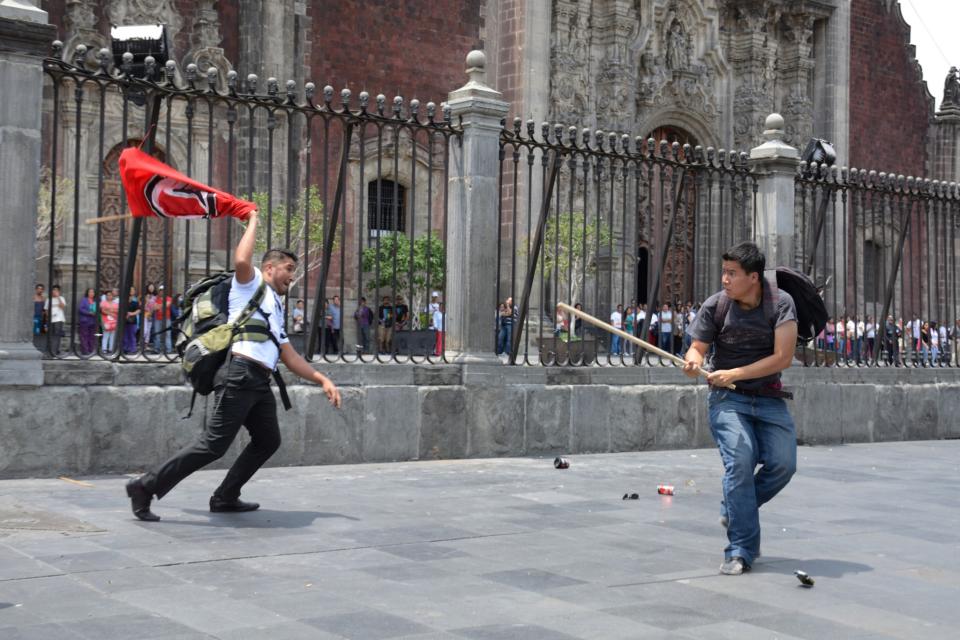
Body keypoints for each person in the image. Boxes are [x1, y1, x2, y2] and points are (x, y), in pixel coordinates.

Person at [125, 209, 342, 522]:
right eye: (289, 268)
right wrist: (254, 220)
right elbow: (241, 260)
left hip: (259, 382)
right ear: (269, 268)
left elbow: (288, 355)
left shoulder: (276, 306)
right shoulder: (250, 284)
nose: (293, 275)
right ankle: (145, 487)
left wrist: (322, 379)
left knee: (268, 440)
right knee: (213, 445)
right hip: (239, 374)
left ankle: (226, 496)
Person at [682, 241, 798, 576]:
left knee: (783, 465)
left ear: (754, 277)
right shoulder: (716, 306)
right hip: (727, 400)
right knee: (740, 461)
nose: (725, 279)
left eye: (732, 273)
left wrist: (735, 373)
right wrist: (693, 362)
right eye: (724, 272)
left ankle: (735, 507)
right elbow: (697, 347)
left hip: (769, 396)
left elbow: (783, 358)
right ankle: (740, 549)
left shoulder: (781, 304)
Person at [46, 284, 66, 356]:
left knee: (57, 335)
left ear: (59, 291)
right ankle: (51, 351)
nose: (55, 291)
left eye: (56, 290)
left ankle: (55, 351)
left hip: (59, 319)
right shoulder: (49, 299)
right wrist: (48, 316)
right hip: (51, 320)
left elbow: (62, 306)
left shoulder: (61, 298)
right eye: (53, 290)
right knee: (51, 335)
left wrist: (58, 297)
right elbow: (46, 310)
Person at [152, 285, 173, 353]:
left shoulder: (169, 298)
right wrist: (162, 305)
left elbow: (167, 305)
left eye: (163, 291)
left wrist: (158, 305)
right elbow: (154, 308)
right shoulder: (156, 298)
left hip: (166, 318)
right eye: (161, 291)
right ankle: (156, 349)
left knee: (167, 334)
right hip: (158, 318)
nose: (162, 292)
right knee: (157, 334)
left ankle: (168, 350)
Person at [77, 288, 97, 355]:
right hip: (85, 321)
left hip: (93, 321)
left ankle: (91, 350)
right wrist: (89, 313)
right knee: (84, 336)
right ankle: (85, 350)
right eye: (90, 292)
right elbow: (80, 309)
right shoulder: (84, 300)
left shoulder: (95, 301)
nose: (91, 293)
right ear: (87, 293)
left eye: (93, 292)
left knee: (92, 336)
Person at [122, 286, 140, 354]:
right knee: (125, 335)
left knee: (132, 335)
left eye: (132, 290)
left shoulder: (135, 302)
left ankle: (132, 349)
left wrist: (131, 313)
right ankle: (125, 348)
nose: (131, 291)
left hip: (132, 321)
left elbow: (138, 310)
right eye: (130, 290)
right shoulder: (124, 301)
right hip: (124, 321)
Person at [100, 289, 119, 353]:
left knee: (112, 335)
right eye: (107, 295)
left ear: (112, 296)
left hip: (114, 321)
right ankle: (104, 349)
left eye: (110, 295)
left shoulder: (115, 303)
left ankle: (111, 348)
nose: (109, 296)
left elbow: (118, 310)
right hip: (106, 321)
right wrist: (111, 312)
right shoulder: (103, 302)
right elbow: (102, 310)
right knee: (106, 335)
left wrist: (110, 310)